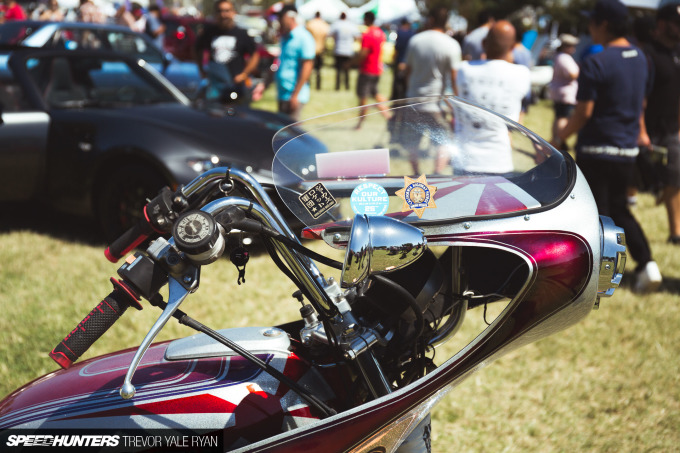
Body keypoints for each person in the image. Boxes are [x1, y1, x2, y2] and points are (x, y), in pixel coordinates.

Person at [556, 0, 661, 293]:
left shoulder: (596, 61)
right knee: (620, 210)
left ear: (603, 24)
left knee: (595, 214)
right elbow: (641, 104)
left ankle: (596, 277)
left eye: (592, 23)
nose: (589, 29)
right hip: (625, 149)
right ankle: (647, 264)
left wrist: (561, 135)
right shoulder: (641, 58)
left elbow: (584, 112)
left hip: (596, 148)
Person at [453, 20, 531, 175]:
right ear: (513, 47)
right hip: (499, 161)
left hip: (464, 159)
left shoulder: (463, 69)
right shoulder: (522, 73)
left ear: (483, 43)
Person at [402, 5, 461, 173]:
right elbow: (454, 77)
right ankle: (437, 174)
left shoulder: (416, 40)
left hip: (414, 100)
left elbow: (407, 71)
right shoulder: (451, 44)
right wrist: (456, 103)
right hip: (436, 103)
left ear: (431, 19)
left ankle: (416, 174)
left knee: (412, 141)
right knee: (444, 140)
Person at [640, 3, 680, 244]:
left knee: (675, 178)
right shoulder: (647, 54)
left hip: (671, 130)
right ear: (662, 24)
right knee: (634, 183)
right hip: (646, 130)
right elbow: (640, 97)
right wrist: (641, 131)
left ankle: (676, 233)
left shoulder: (678, 54)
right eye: (677, 23)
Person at [195, 0, 260, 105]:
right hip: (215, 86)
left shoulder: (241, 33)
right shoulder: (208, 32)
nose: (223, 15)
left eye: (227, 11)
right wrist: (201, 69)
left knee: (238, 112)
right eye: (220, 11)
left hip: (236, 85)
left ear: (233, 12)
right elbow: (197, 49)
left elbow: (255, 55)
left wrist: (244, 74)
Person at [275, 4, 315, 120]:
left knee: (291, 129)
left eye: (281, 18)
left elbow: (307, 66)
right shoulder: (285, 37)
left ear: (290, 17)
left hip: (294, 94)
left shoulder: (303, 37)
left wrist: (296, 95)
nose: (279, 21)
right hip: (283, 93)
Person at [355, 11, 390, 129]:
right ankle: (388, 116)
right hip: (376, 69)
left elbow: (363, 53)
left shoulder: (368, 34)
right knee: (375, 93)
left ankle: (360, 123)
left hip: (367, 69)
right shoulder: (380, 33)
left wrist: (352, 62)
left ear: (366, 19)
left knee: (363, 97)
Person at [549, 34, 580, 149]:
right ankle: (559, 141)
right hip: (565, 94)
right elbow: (572, 74)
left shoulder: (560, 57)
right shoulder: (564, 58)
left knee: (559, 117)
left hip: (560, 92)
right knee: (563, 117)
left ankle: (557, 140)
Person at [329, 12, 359, 91]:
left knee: (338, 70)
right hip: (348, 50)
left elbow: (330, 34)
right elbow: (357, 36)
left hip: (338, 50)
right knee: (347, 70)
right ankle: (347, 86)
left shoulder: (336, 24)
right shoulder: (351, 25)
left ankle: (337, 86)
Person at [391, 18, 414, 100]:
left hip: (400, 60)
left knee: (397, 83)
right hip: (408, 62)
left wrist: (394, 58)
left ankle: (396, 100)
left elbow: (397, 48)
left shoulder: (400, 32)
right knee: (405, 83)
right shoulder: (412, 33)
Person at [306, 11, 329, 90]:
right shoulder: (324, 24)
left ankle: (308, 83)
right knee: (319, 69)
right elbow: (327, 36)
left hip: (311, 49)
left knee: (309, 68)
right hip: (321, 49)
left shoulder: (310, 24)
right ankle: (318, 85)